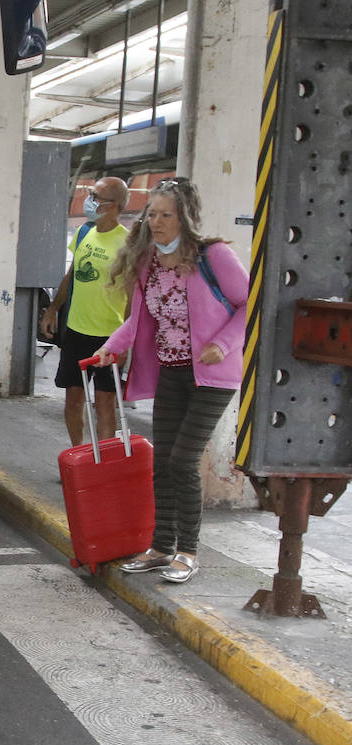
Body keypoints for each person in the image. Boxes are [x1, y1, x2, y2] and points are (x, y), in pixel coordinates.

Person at [94, 178, 248, 585]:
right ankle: (161, 547)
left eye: (166, 215)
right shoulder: (150, 264)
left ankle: (188, 551)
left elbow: (250, 305)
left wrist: (222, 344)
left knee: (182, 460)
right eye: (152, 214)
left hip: (212, 378)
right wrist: (110, 347)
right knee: (162, 461)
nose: (157, 222)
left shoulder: (214, 257)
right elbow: (138, 320)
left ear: (186, 219)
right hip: (171, 371)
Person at [39, 177, 132, 445]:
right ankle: (78, 454)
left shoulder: (127, 244)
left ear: (112, 205)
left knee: (104, 402)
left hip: (109, 337)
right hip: (76, 331)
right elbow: (72, 275)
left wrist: (125, 343)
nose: (89, 201)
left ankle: (102, 463)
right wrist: (52, 310)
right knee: (73, 399)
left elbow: (132, 297)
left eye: (95, 196)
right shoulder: (83, 232)